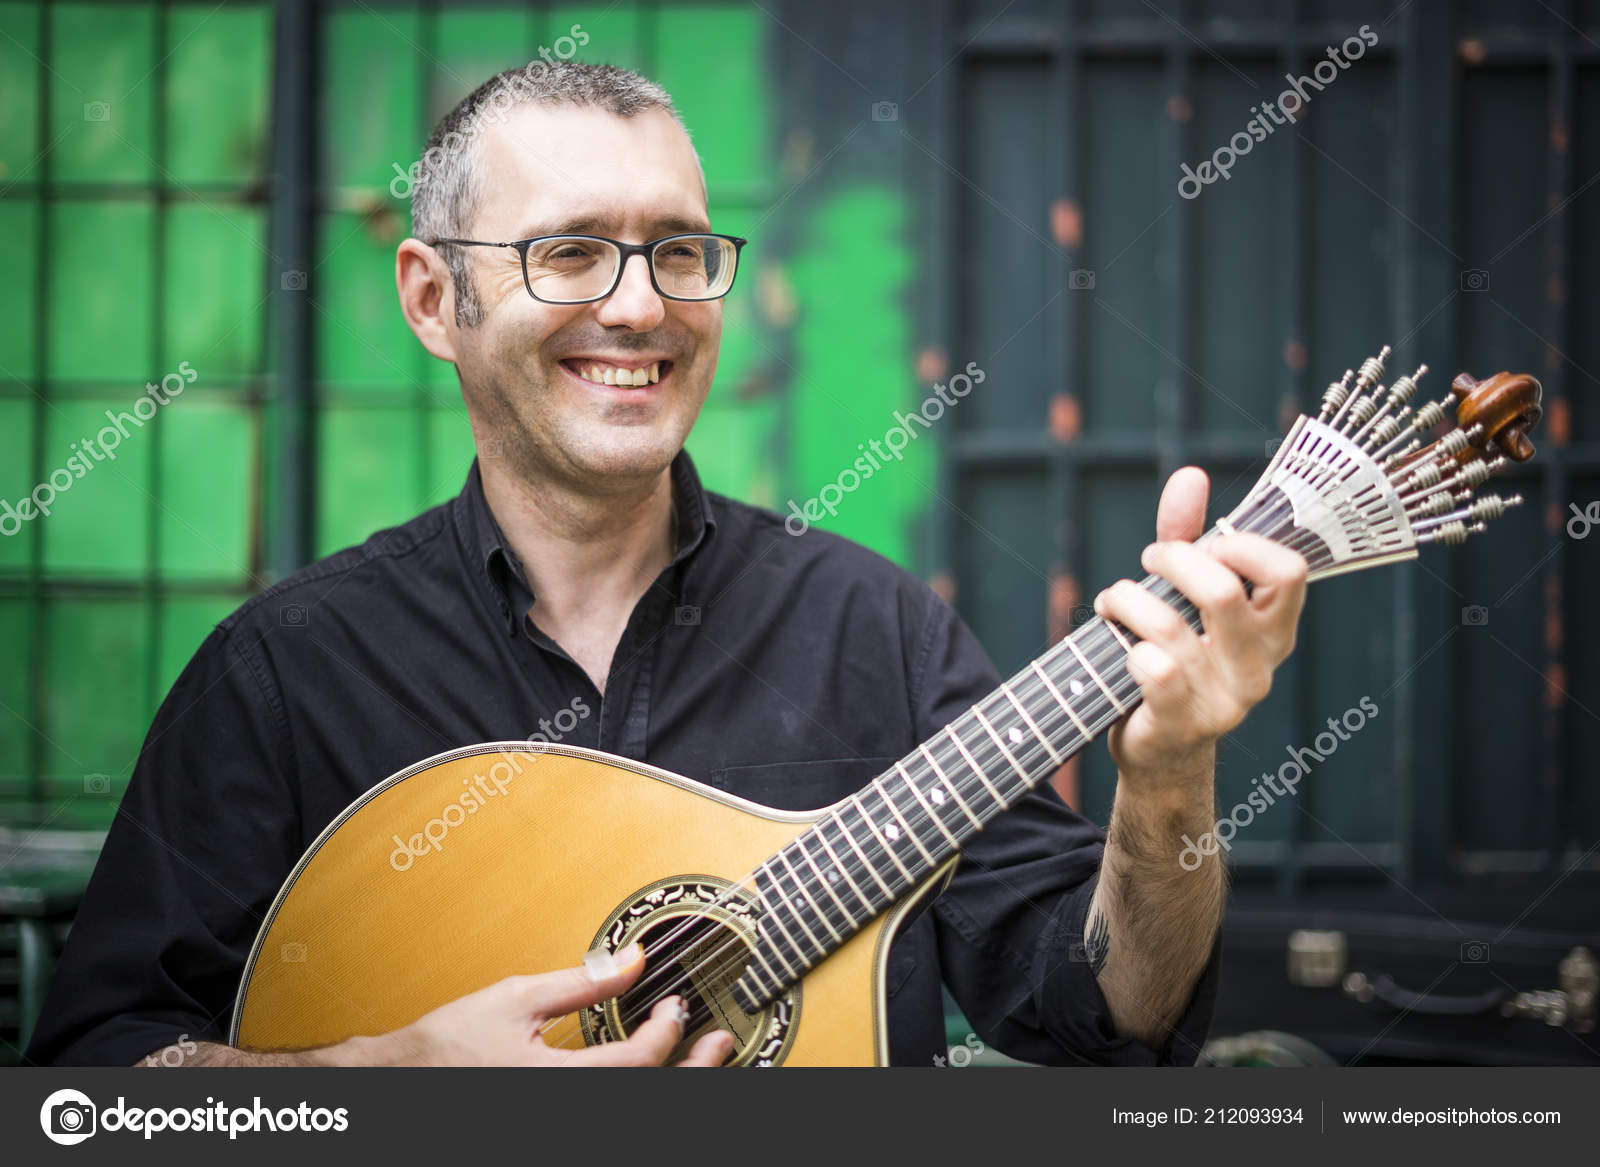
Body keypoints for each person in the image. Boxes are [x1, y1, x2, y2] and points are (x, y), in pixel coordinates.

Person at [24, 62, 1306, 1068]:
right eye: (570, 250)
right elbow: (93, 1091)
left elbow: (1107, 1017)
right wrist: (386, 1073)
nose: (639, 306)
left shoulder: (878, 634)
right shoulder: (286, 676)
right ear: (432, 299)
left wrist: (1171, 776)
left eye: (679, 250)